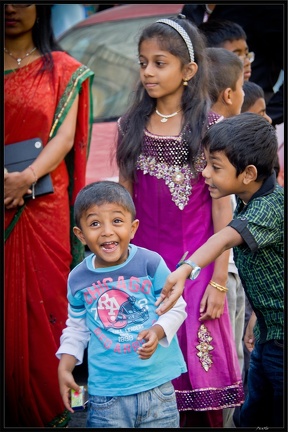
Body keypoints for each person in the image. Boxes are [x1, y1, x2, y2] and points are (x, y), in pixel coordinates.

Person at [116, 15, 244, 428]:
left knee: (198, 388)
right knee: (147, 388)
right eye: (143, 63)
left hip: (197, 272)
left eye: (159, 63)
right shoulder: (129, 125)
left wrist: (219, 283)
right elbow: (123, 203)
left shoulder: (210, 129)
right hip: (143, 274)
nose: (148, 72)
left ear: (189, 71)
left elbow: (223, 212)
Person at [156, 112, 284, 428]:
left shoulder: (269, 208)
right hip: (271, 333)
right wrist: (258, 316)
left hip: (282, 344)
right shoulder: (250, 196)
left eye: (215, 167)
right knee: (253, 416)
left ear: (248, 173)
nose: (206, 175)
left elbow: (224, 237)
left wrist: (186, 268)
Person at [4, 4, 94, 427]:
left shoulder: (62, 69)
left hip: (43, 207)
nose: (11, 9)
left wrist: (25, 179)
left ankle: (49, 408)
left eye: (23, 0)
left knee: (47, 304)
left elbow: (65, 136)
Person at [56, 180, 188, 428]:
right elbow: (76, 327)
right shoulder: (78, 278)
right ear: (81, 235)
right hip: (107, 397)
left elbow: (177, 307)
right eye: (95, 223)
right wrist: (65, 367)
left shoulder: (150, 263)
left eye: (117, 221)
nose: (107, 231)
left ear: (133, 227)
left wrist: (158, 330)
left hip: (157, 389)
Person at [206, 46, 246, 428]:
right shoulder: (220, 132)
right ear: (231, 94)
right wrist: (220, 279)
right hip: (225, 269)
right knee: (229, 360)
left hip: (217, 266)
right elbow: (223, 209)